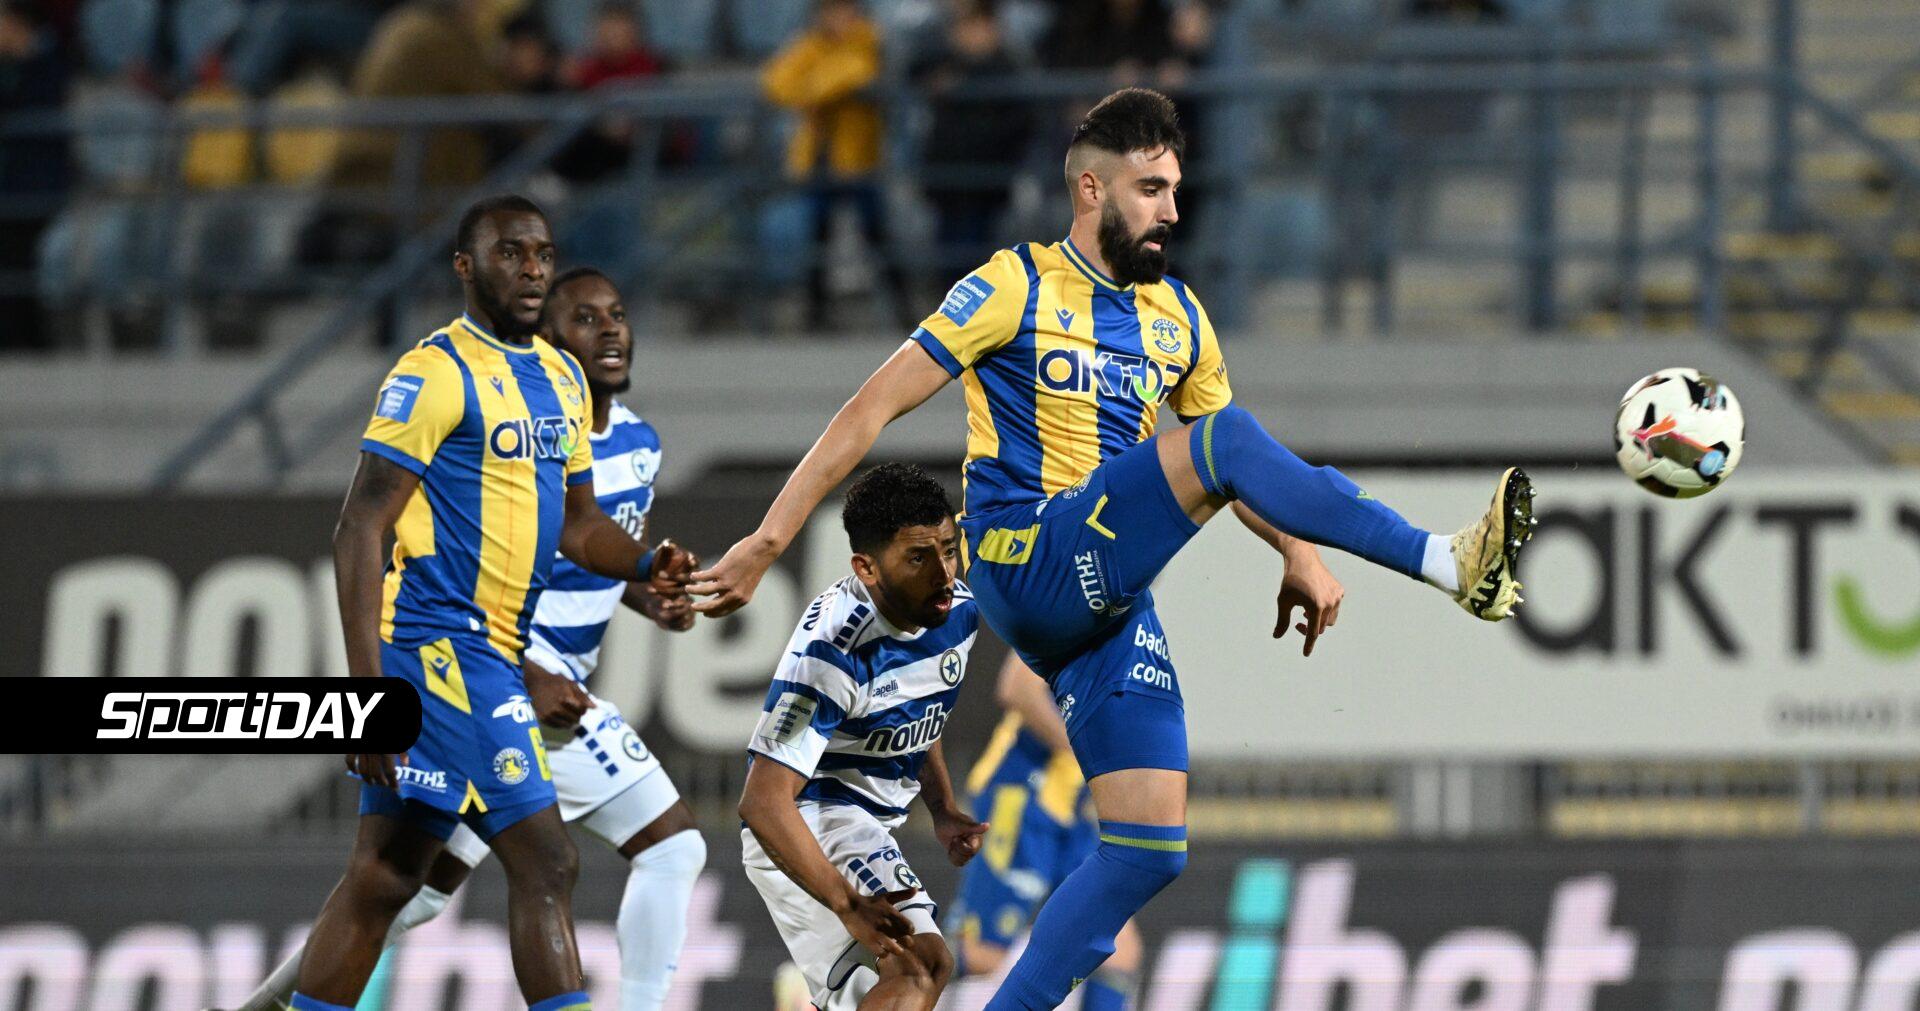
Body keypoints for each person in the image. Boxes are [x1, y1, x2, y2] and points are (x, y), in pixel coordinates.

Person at [688, 88, 1535, 1009]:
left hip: (1101, 602)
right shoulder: (1012, 284)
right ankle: (1450, 562)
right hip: (1024, 552)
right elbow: (871, 407)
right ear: (1092, 189)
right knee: (1222, 436)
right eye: (1151, 189)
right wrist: (769, 537)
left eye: (1176, 189)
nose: (1172, 209)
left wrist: (1297, 550)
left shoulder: (1181, 317)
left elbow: (1242, 470)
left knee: (1148, 847)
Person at [220, 267, 704, 1011]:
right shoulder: (500, 425)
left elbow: (577, 552)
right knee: (636, 851)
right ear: (547, 339)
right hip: (506, 677)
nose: (610, 329)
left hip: (528, 679)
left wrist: (649, 591)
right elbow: (472, 561)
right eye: (585, 318)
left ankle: (264, 1008)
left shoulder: (639, 442)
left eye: (617, 313)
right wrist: (528, 674)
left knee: (405, 882)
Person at [738, 463, 988, 1010]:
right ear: (867, 567)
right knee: (921, 964)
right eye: (918, 558)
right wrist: (848, 905)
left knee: (897, 983)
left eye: (949, 550)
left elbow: (917, 711)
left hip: (861, 823)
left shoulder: (957, 614)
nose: (944, 574)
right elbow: (762, 802)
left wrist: (942, 808)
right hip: (810, 820)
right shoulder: (832, 655)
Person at [946, 653, 1141, 1008]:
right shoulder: (1075, 623)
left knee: (1119, 950)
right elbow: (1017, 687)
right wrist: (1083, 750)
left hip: (1071, 816)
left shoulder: (1131, 640)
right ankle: (871, 971)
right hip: (1022, 798)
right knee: (981, 956)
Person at [760, 0, 912, 330]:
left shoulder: (869, 40)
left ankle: (905, 310)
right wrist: (818, 87)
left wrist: (811, 88)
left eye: (845, 10)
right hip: (820, 158)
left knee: (877, 233)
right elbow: (775, 82)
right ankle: (816, 314)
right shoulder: (810, 44)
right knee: (818, 234)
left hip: (859, 160)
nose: (838, 18)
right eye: (830, 10)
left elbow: (855, 72)